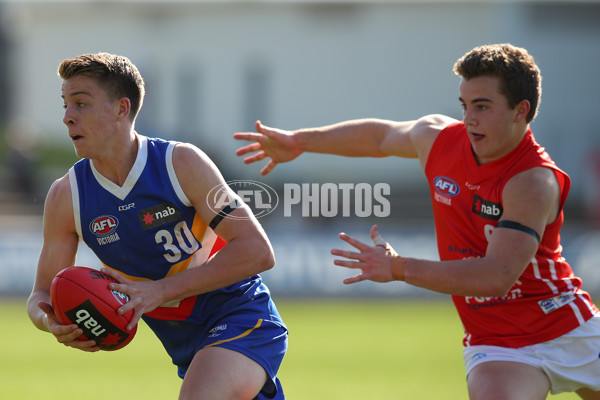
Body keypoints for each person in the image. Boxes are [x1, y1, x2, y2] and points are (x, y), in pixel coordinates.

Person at [234, 43, 600, 400]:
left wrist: (398, 268)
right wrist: (299, 142)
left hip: (569, 327)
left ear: (521, 111)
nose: (469, 118)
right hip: (498, 344)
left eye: (483, 107)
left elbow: (496, 276)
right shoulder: (439, 140)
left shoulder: (533, 181)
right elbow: (380, 137)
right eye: (465, 105)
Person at [27, 53, 287, 400]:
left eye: (81, 104)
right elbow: (41, 294)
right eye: (65, 105)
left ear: (121, 109)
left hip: (242, 315)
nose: (67, 117)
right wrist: (52, 322)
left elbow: (257, 251)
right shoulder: (66, 195)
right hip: (185, 345)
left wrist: (159, 291)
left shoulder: (181, 164)